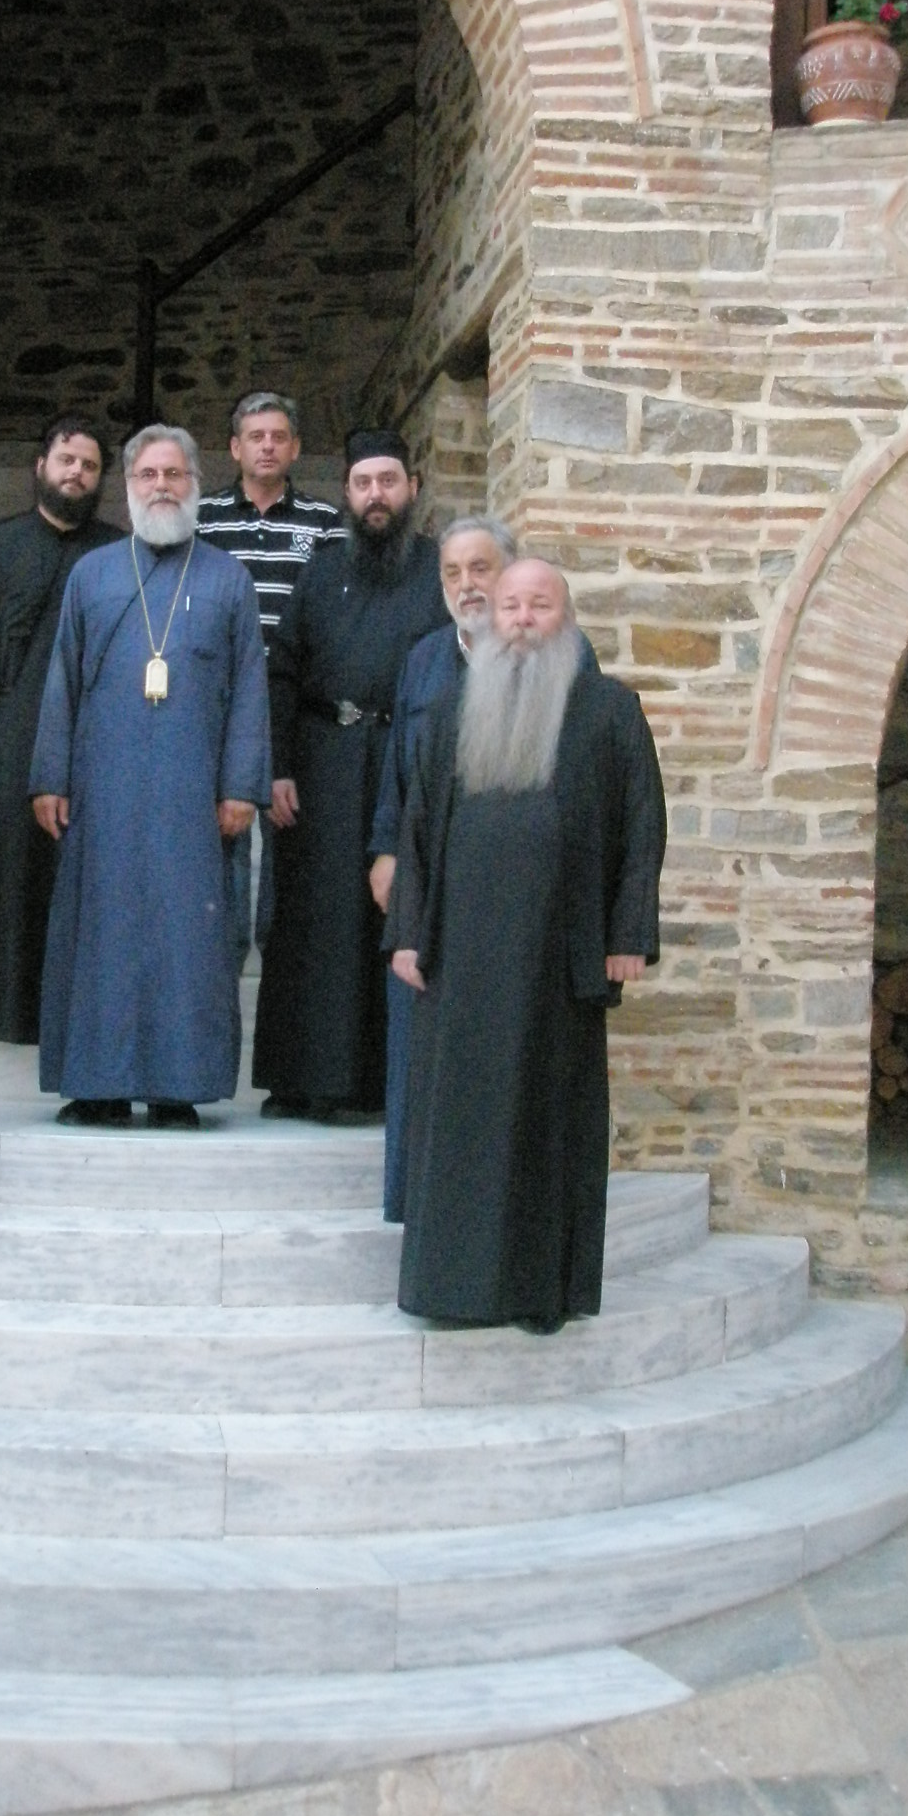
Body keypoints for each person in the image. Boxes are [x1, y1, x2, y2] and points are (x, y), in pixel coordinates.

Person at [389, 557, 666, 1329]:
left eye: (538, 606)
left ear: (565, 620)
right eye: (509, 606)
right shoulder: (453, 709)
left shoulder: (610, 710)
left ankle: (537, 1294)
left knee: (548, 1122)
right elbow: (418, 828)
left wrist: (628, 934)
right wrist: (408, 934)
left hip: (557, 955)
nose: (520, 621)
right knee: (460, 1127)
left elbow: (643, 827)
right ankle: (450, 1290)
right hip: (462, 960)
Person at [29, 424, 270, 1129]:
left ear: (194, 484)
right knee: (99, 935)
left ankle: (177, 1088)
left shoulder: (228, 579)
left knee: (186, 941)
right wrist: (50, 776)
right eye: (147, 475)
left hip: (195, 794)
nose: (161, 486)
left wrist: (241, 785)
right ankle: (96, 1085)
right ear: (129, 487)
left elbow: (250, 688)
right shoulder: (92, 574)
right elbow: (62, 680)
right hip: (102, 790)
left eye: (174, 474)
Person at [252, 426, 446, 1119]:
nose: (376, 495)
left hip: (407, 759)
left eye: (388, 481)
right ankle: (302, 1079)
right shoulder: (320, 570)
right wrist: (277, 767)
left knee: (387, 916)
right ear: (346, 493)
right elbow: (282, 672)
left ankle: (377, 1085)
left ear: (412, 488)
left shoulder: (438, 571)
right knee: (315, 922)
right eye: (363, 483)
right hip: (322, 765)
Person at [367, 514, 517, 1219]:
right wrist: (385, 850)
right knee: (417, 1042)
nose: (467, 585)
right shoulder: (424, 660)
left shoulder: (552, 658)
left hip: (506, 886)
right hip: (425, 885)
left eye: (480, 568)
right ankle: (415, 1199)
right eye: (453, 572)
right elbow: (398, 769)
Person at [0, 415, 120, 1044]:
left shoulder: (118, 553)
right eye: (66, 460)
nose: (76, 473)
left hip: (98, 743)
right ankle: (0, 1008)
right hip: (14, 744)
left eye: (89, 466)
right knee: (10, 875)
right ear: (40, 466)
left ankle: (79, 1013)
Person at [197, 392, 344, 969]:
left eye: (278, 437)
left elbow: (333, 613)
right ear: (235, 448)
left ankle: (281, 968)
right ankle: (223, 965)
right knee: (223, 842)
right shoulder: (202, 518)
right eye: (255, 437)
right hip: (220, 708)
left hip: (294, 709)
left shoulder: (326, 524)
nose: (267, 447)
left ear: (296, 448)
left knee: (290, 846)